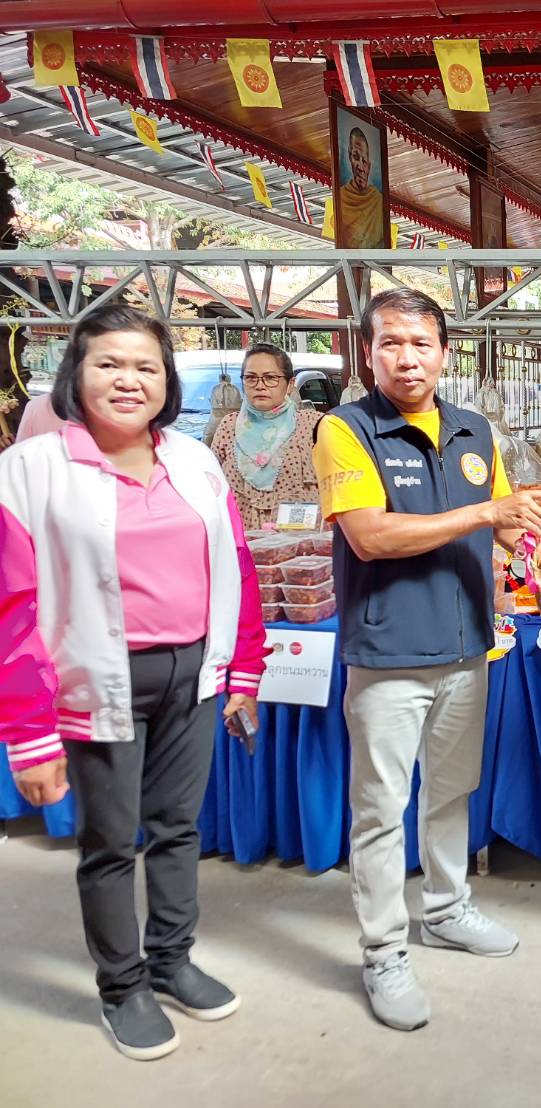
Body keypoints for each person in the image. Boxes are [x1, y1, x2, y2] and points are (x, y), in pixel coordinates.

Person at [0, 306, 268, 1061]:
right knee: (111, 841)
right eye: (109, 364)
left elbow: (236, 568)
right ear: (74, 375)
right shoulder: (30, 470)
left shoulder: (194, 461)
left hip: (194, 674)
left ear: (167, 381)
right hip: (96, 677)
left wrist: (242, 668)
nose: (129, 380)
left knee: (179, 827)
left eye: (146, 366)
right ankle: (123, 987)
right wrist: (28, 734)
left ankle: (172, 959)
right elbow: (11, 607)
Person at [312, 288, 541, 1032]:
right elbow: (371, 536)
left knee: (451, 790)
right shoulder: (346, 429)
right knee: (378, 811)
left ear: (444, 351)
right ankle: (383, 950)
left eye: (421, 342)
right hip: (388, 652)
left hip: (468, 646)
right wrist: (485, 513)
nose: (406, 357)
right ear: (367, 351)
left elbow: (510, 533)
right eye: (391, 342)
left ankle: (447, 907)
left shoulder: (472, 430)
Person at [209, 343, 323, 531]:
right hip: (241, 544)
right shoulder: (229, 426)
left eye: (271, 378)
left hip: (300, 546)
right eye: (251, 378)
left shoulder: (315, 425)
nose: (260, 385)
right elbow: (212, 486)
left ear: (290, 384)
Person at [338, 126, 386, 250]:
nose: (360, 167)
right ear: (349, 157)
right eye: (356, 157)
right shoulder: (342, 197)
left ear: (369, 166)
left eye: (364, 161)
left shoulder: (378, 200)